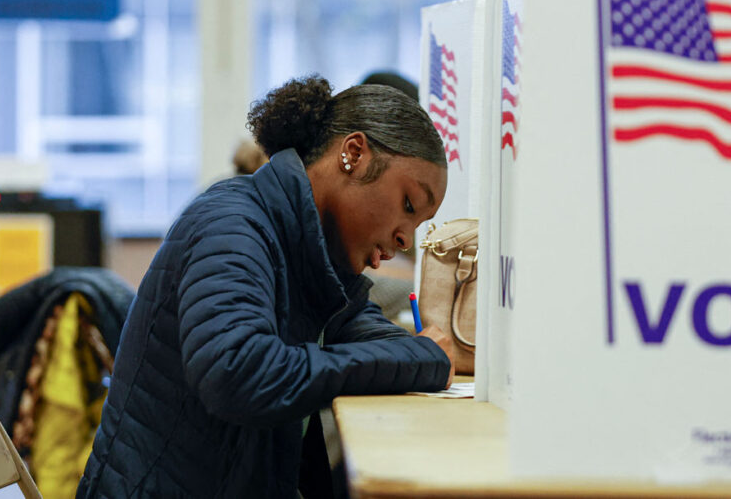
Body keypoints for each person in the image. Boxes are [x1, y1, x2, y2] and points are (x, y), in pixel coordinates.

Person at [76, 75, 455, 498]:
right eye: (407, 205)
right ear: (354, 154)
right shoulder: (233, 225)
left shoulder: (314, 252)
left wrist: (423, 357)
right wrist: (421, 354)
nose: (407, 239)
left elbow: (368, 331)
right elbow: (237, 372)